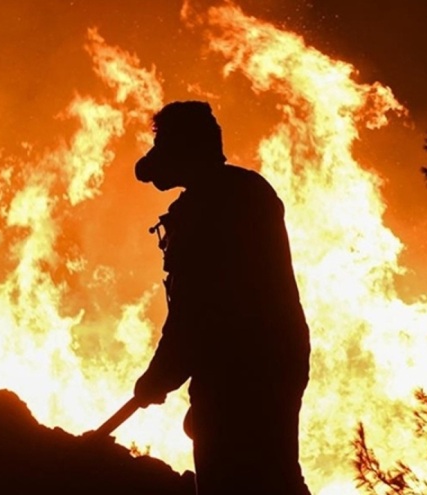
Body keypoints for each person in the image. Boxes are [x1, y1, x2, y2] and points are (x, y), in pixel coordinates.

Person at [133, 101, 312, 495]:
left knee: (229, 481)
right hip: (278, 359)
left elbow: (196, 313)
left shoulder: (206, 210)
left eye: (165, 146)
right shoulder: (250, 191)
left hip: (237, 370)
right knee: (277, 475)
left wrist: (158, 378)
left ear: (186, 150)